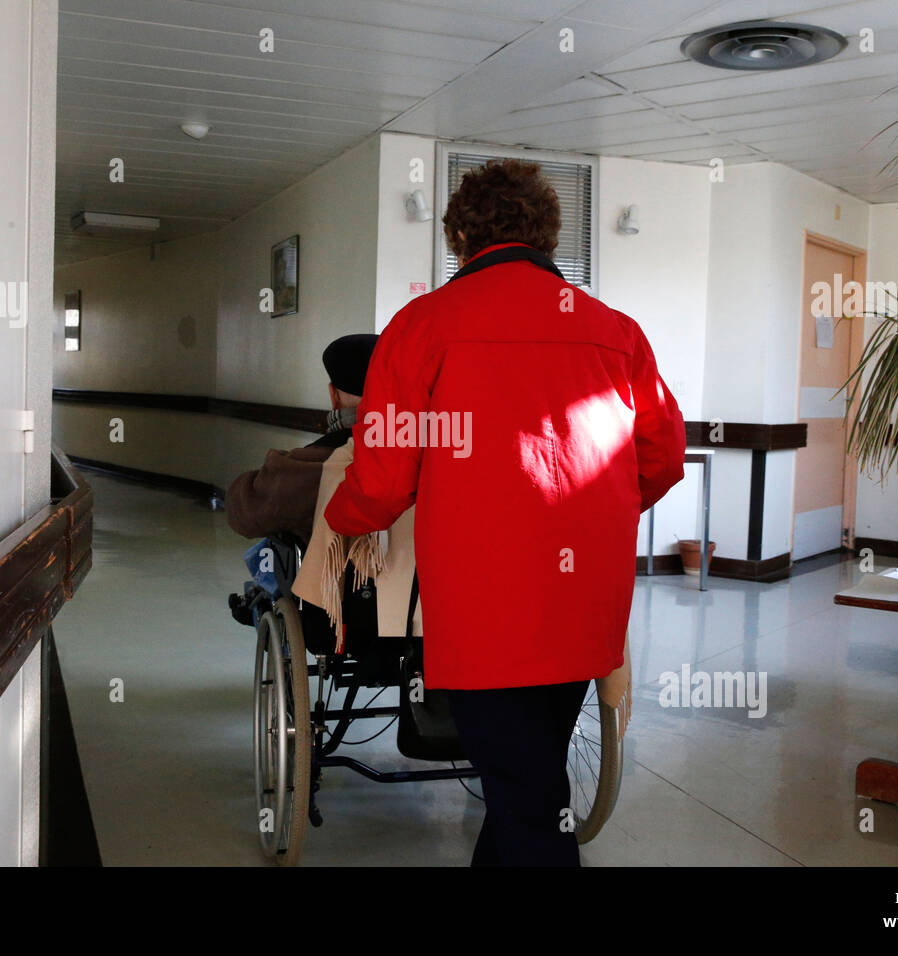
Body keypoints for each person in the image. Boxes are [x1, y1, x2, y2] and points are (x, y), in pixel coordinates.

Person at [324, 159, 685, 867]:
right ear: (548, 234)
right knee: (530, 777)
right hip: (585, 600)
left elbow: (384, 473)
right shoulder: (616, 331)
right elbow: (664, 457)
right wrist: (599, 512)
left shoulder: (424, 325)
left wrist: (341, 522)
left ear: (461, 234)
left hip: (486, 604)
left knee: (526, 797)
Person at [225, 333, 378, 544]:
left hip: (341, 577)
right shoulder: (430, 446)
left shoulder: (314, 464)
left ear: (333, 396)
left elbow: (244, 514)